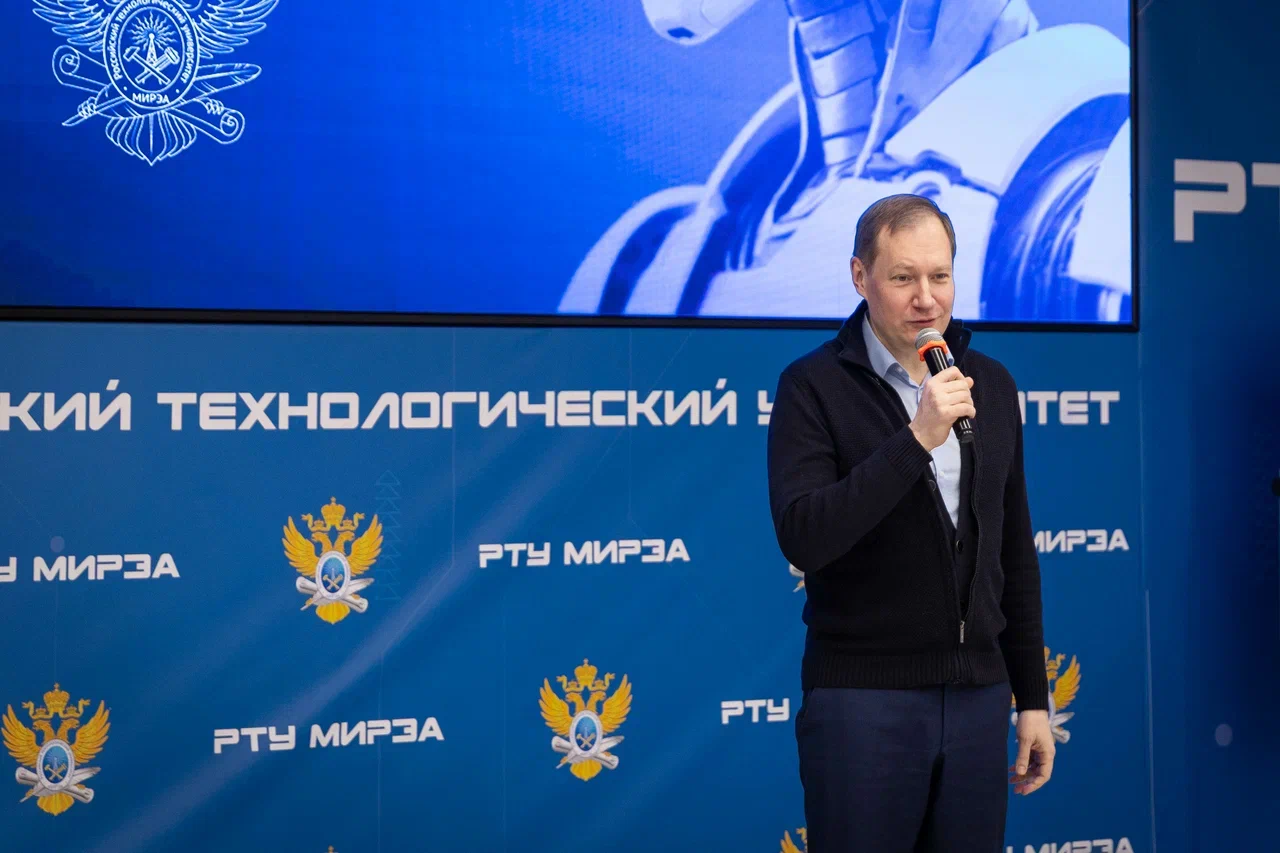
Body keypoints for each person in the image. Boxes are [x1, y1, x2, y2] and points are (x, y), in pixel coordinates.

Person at [766, 193, 1054, 852]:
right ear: (859, 276)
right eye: (903, 278)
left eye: (940, 276)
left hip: (979, 698)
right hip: (863, 701)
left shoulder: (990, 383)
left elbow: (1012, 550)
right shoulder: (811, 386)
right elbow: (805, 534)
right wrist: (917, 437)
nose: (927, 298)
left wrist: (1032, 699)